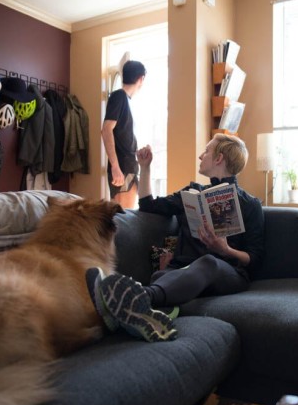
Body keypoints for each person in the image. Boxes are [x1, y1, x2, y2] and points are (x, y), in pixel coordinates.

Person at [87, 134, 264, 323]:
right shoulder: (192, 193)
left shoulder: (250, 204)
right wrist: (144, 168)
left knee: (209, 262)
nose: (200, 156)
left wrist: (225, 250)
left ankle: (141, 297)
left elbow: (253, 258)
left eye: (206, 151)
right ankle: (137, 315)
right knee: (161, 275)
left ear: (219, 158)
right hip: (182, 270)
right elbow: (149, 207)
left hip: (225, 272)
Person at [101, 60, 146, 209]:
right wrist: (115, 167)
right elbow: (106, 129)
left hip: (127, 165)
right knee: (125, 219)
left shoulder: (124, 99)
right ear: (141, 79)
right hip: (123, 167)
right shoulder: (119, 96)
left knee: (124, 218)